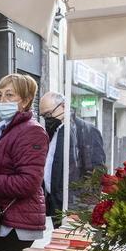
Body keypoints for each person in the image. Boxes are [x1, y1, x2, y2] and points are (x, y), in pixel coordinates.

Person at [0, 74, 48, 251]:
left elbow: (28, 182)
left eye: (10, 95)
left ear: (25, 100)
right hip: (5, 220)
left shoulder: (31, 131)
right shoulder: (6, 129)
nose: (2, 101)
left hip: (17, 224)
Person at [39, 91, 106, 225]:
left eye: (48, 114)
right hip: (55, 204)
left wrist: (83, 207)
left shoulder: (86, 130)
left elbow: (96, 173)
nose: (47, 119)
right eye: (43, 116)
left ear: (63, 106)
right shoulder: (52, 131)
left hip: (75, 208)